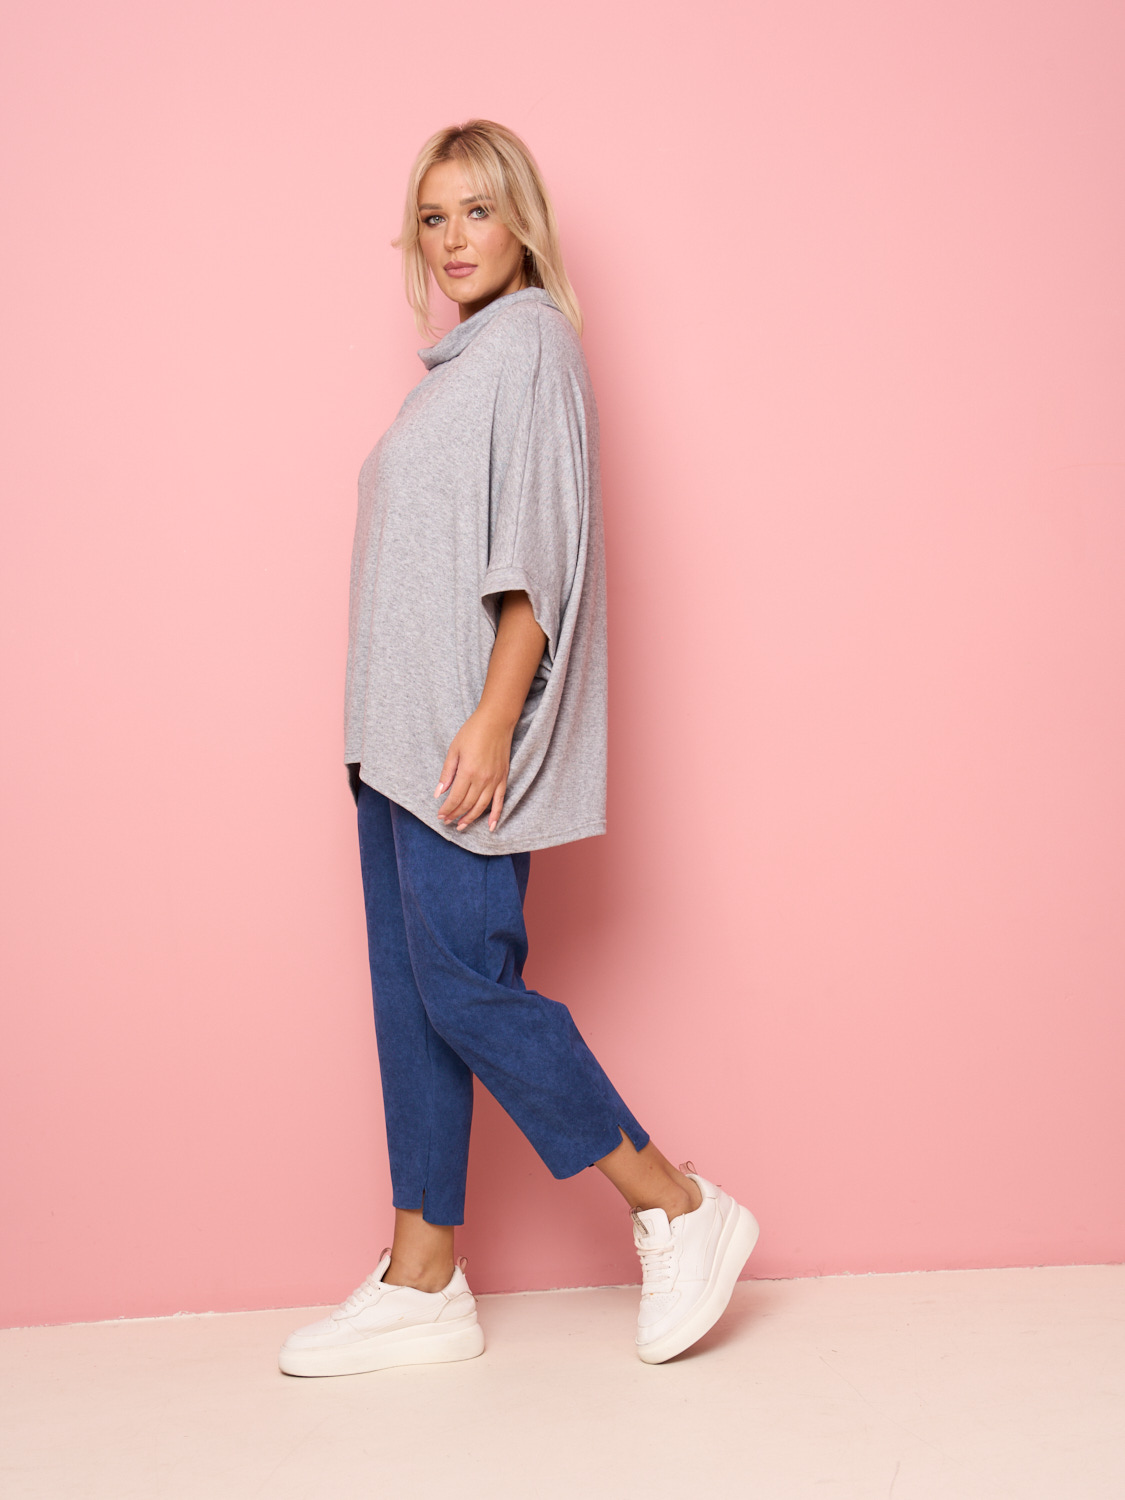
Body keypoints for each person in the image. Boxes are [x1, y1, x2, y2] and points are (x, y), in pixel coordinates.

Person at [279, 120, 757, 1378]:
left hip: (458, 738)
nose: (453, 240)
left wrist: (494, 718)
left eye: (477, 212)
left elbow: (535, 548)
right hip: (392, 743)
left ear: (523, 222)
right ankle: (421, 1276)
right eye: (433, 218)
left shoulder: (532, 342)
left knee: (465, 987)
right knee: (414, 1003)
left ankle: (677, 1203)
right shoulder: (454, 367)